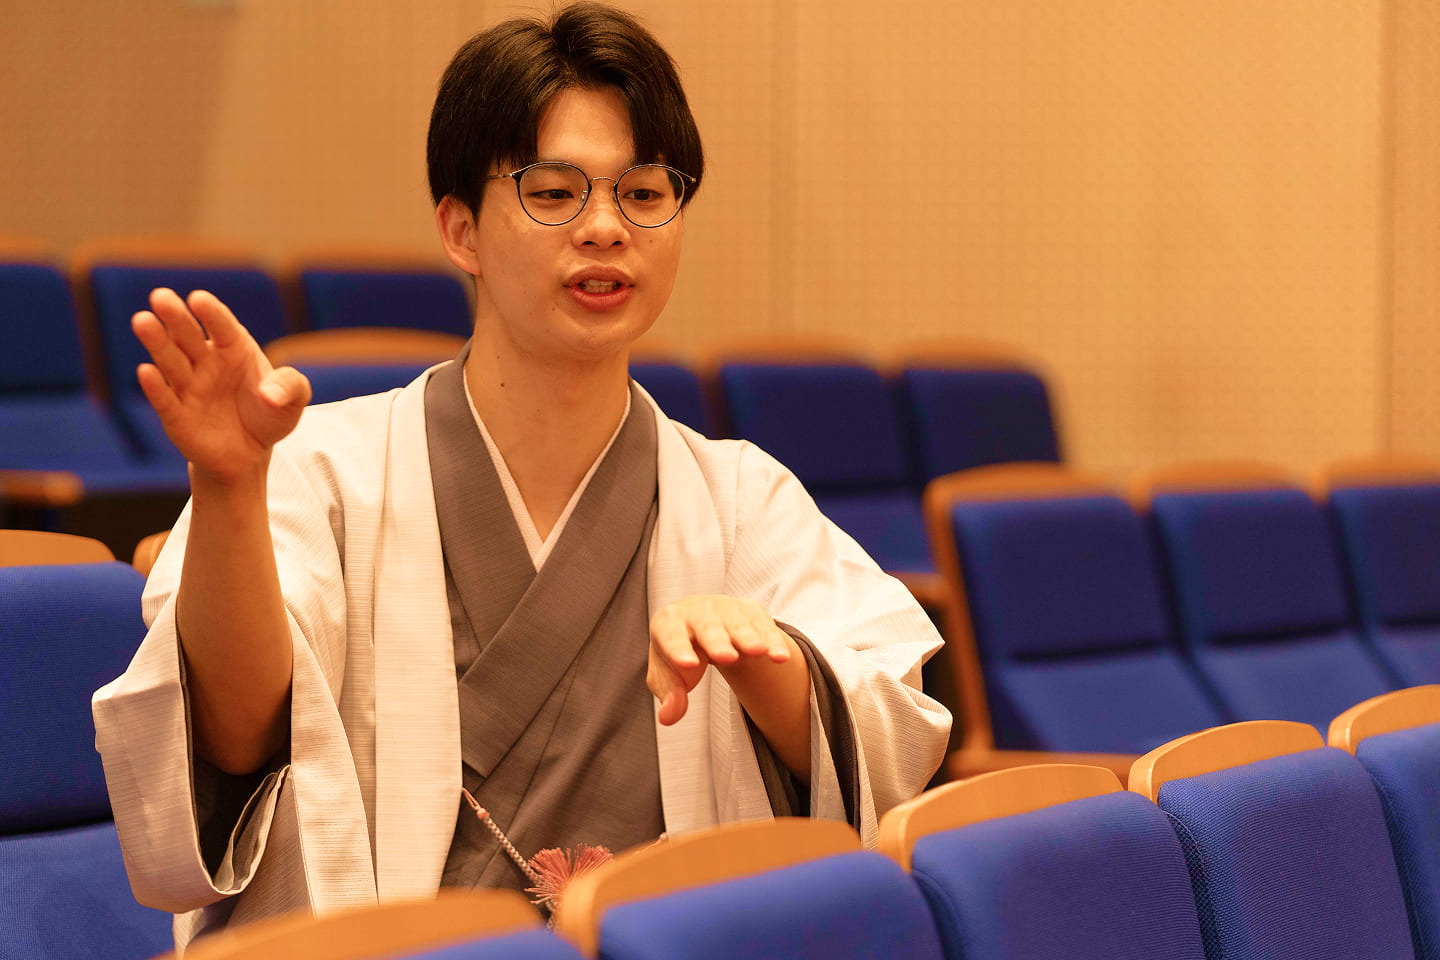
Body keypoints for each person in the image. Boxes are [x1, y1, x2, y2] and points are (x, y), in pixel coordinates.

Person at [93, 3, 950, 950]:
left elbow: (890, 728)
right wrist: (227, 486)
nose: (606, 228)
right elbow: (234, 739)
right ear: (460, 230)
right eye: (553, 192)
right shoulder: (320, 473)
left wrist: (772, 669)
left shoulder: (741, 500)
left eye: (645, 193)